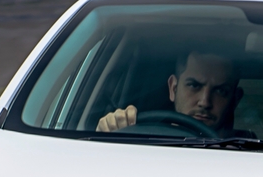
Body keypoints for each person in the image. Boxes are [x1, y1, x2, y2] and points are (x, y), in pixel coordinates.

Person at [96, 51, 243, 134]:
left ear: (235, 99)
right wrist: (108, 132)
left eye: (220, 91)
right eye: (194, 85)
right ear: (173, 88)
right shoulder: (139, 137)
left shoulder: (249, 153)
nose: (205, 102)